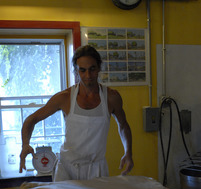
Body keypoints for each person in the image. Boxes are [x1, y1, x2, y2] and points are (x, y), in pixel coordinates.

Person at [19, 45, 134, 181]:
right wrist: (25, 144)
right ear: (76, 71)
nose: (88, 76)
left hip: (96, 169)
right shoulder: (64, 97)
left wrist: (128, 152)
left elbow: (123, 125)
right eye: (82, 70)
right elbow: (31, 120)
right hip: (66, 169)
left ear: (99, 68)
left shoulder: (111, 97)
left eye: (92, 69)